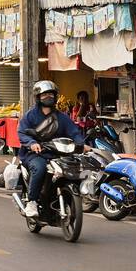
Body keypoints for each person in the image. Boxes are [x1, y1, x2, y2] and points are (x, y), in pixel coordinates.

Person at [17, 80, 85, 217]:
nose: (48, 97)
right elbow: (22, 132)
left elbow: (74, 133)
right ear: (38, 97)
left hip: (57, 154)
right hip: (35, 154)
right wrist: (31, 143)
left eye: (51, 94)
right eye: (45, 94)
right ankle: (32, 202)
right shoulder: (30, 116)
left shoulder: (62, 117)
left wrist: (81, 145)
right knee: (40, 168)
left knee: (75, 167)